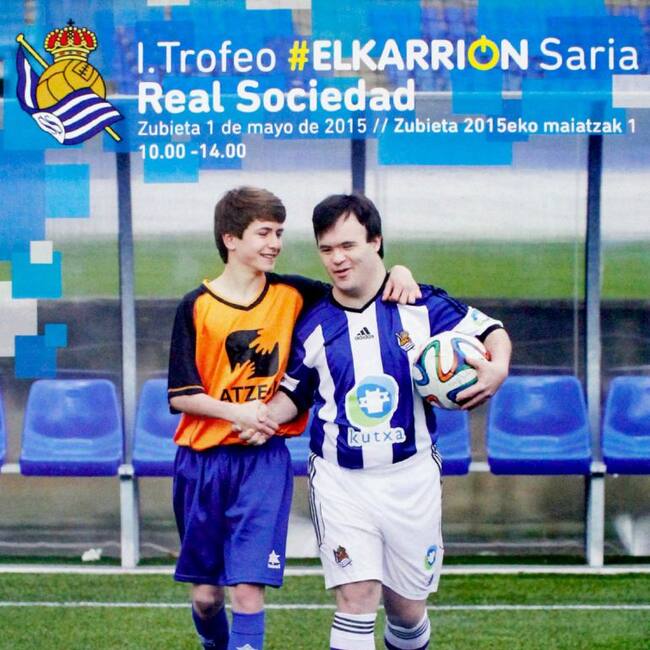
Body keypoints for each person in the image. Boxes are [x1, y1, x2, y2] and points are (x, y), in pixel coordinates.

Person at [243, 193, 511, 650]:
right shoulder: (312, 324)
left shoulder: (420, 304)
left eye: (348, 245)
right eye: (327, 249)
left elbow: (490, 330)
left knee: (406, 612)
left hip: (411, 477)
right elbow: (294, 394)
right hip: (340, 480)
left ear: (376, 242)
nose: (337, 259)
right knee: (357, 597)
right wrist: (258, 419)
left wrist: (497, 368)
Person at [167, 186, 420, 650]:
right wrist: (238, 412)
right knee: (206, 598)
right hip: (201, 463)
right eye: (264, 233)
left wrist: (399, 271)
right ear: (230, 239)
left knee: (247, 590)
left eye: (279, 233)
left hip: (263, 461)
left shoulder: (295, 294)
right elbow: (182, 395)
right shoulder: (196, 305)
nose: (275, 244)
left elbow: (359, 287)